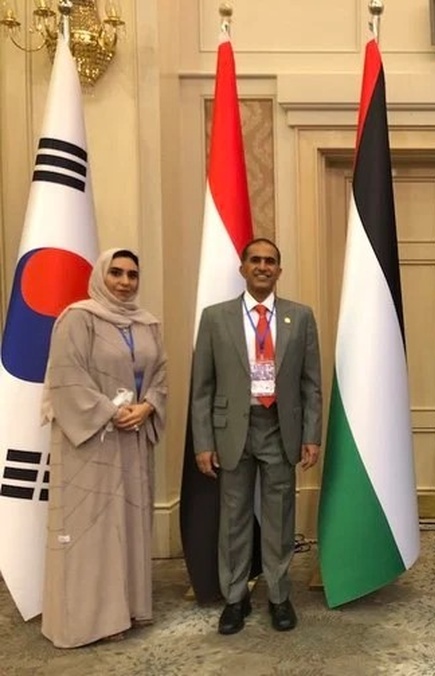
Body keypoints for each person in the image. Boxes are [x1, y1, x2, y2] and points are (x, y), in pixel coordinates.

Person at [191, 238, 322, 635]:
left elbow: (310, 383)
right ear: (243, 268)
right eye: (256, 260)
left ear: (279, 271)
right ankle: (235, 598)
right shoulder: (215, 318)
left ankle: (279, 596)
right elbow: (202, 387)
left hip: (281, 428)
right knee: (233, 518)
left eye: (270, 261)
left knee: (280, 517)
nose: (263, 267)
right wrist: (203, 442)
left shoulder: (300, 317)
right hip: (232, 429)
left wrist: (312, 434)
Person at [41, 249, 167, 648]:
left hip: (132, 439)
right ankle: (87, 621)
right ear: (101, 274)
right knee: (91, 531)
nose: (125, 282)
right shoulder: (78, 318)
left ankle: (126, 609)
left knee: (127, 526)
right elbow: (66, 378)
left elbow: (160, 374)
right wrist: (110, 411)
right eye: (116, 272)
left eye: (132, 274)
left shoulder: (147, 323)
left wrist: (149, 406)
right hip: (91, 444)